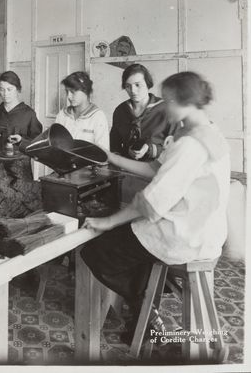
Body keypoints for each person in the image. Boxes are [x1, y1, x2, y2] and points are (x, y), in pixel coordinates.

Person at [80, 71, 230, 344]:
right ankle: (145, 311)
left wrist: (108, 221)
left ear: (182, 101)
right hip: (205, 230)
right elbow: (154, 169)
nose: (164, 106)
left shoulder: (190, 145)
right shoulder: (207, 130)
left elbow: (151, 202)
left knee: (96, 251)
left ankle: (147, 312)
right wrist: (111, 158)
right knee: (130, 247)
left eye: (168, 101)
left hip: (183, 234)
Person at [110, 64, 174, 161]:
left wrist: (150, 149)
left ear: (148, 84)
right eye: (128, 86)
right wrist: (128, 151)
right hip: (128, 170)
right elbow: (115, 147)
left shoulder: (166, 109)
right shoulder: (120, 111)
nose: (133, 91)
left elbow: (177, 149)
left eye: (137, 85)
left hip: (158, 170)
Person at [0, 71, 42, 150]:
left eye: (9, 89)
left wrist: (21, 140)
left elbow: (37, 143)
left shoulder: (29, 114)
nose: (5, 93)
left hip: (19, 160)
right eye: (2, 90)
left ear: (18, 89)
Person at [55, 71, 109, 149]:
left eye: (73, 92)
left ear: (85, 91)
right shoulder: (62, 115)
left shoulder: (98, 116)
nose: (69, 97)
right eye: (67, 92)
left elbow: (103, 152)